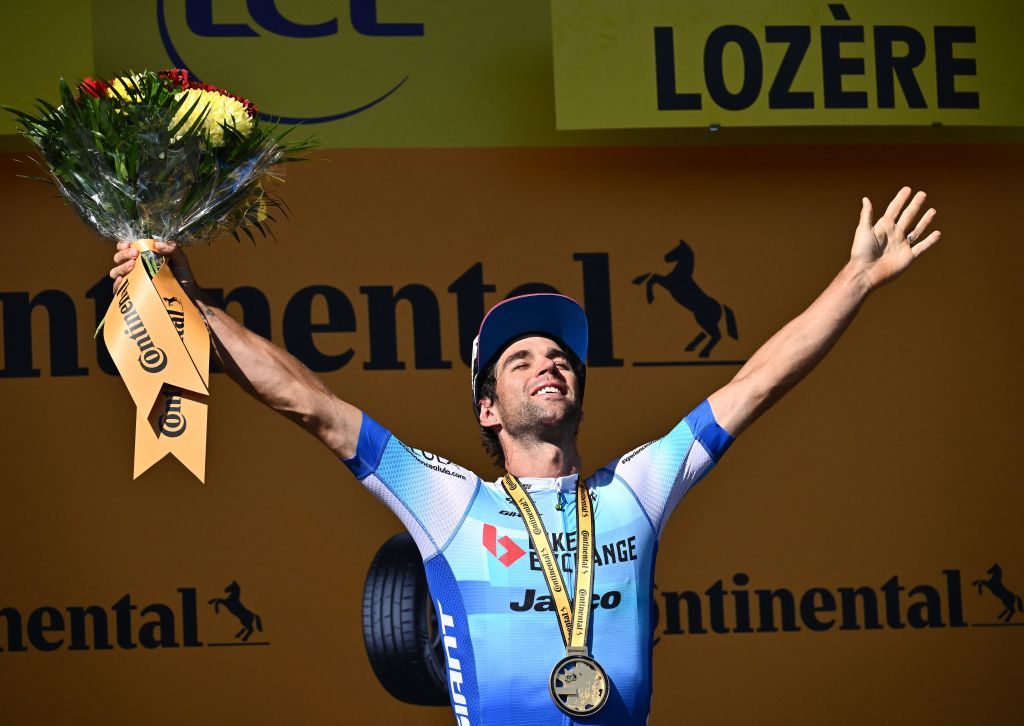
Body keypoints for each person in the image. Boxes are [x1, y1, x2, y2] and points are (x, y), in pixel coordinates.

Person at [109, 187, 940, 724]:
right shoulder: (449, 503)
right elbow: (308, 402)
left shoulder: (634, 489)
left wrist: (856, 281)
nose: (550, 364)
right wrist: (192, 306)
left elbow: (758, 383)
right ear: (487, 408)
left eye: (562, 357)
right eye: (520, 360)